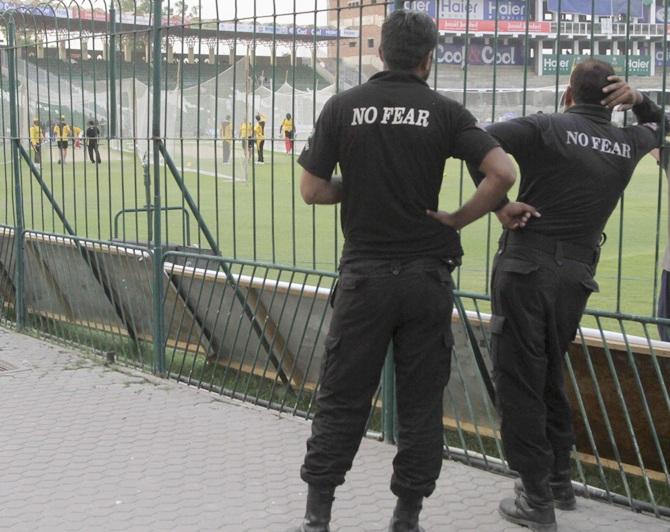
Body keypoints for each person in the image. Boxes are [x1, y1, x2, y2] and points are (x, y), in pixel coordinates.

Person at [286, 10, 517, 532]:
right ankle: (406, 516)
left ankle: (317, 516)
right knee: (419, 405)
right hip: (425, 278)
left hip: (365, 278)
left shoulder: (343, 106)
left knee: (342, 398)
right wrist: (457, 217)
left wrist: (359, 187)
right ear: (428, 58)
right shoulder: (445, 112)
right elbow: (503, 173)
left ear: (379, 53)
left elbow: (313, 189)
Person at [457, 59, 665, 531]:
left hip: (526, 265)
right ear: (613, 101)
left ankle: (535, 498)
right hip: (576, 275)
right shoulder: (629, 140)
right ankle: (558, 481)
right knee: (550, 369)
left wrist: (500, 204)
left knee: (519, 378)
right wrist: (639, 103)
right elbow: (661, 125)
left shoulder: (548, 126)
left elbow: (473, 140)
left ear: (568, 95)